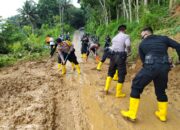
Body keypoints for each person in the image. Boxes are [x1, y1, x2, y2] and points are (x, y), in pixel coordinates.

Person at [121, 27, 180, 122]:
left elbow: (144, 61)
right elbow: (178, 46)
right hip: (164, 68)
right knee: (161, 91)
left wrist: (150, 70)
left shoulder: (142, 44)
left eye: (142, 36)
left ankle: (132, 114)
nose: (142, 38)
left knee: (136, 86)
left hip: (150, 66)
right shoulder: (164, 38)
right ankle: (162, 115)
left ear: (146, 34)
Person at [104, 24, 131, 98]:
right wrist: (129, 52)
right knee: (121, 74)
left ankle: (106, 88)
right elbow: (128, 45)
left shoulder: (114, 38)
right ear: (124, 30)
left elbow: (112, 47)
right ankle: (118, 93)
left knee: (110, 72)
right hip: (121, 56)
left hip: (113, 56)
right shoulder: (126, 36)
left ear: (118, 30)